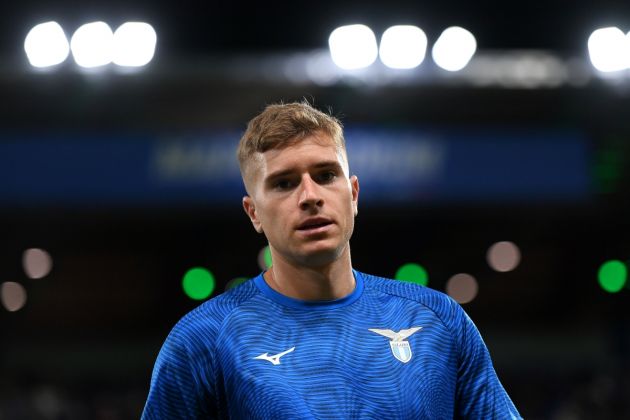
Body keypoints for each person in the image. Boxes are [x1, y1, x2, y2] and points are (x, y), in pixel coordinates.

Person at [142, 101, 522, 419]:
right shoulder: (203, 339)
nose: (310, 195)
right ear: (253, 212)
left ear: (353, 193)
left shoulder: (438, 319)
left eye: (326, 175)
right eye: (284, 183)